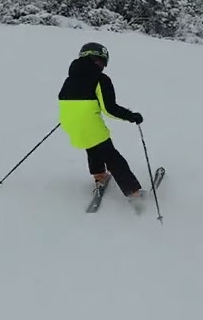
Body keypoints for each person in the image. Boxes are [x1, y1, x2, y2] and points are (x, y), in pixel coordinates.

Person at [58, 42, 148, 212]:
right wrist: (131, 116)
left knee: (93, 147)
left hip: (70, 124)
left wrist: (75, 115)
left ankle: (100, 176)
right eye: (102, 62)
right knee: (112, 157)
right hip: (89, 124)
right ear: (97, 59)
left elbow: (67, 100)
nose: (102, 66)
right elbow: (109, 109)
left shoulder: (69, 79)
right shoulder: (100, 79)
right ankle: (134, 194)